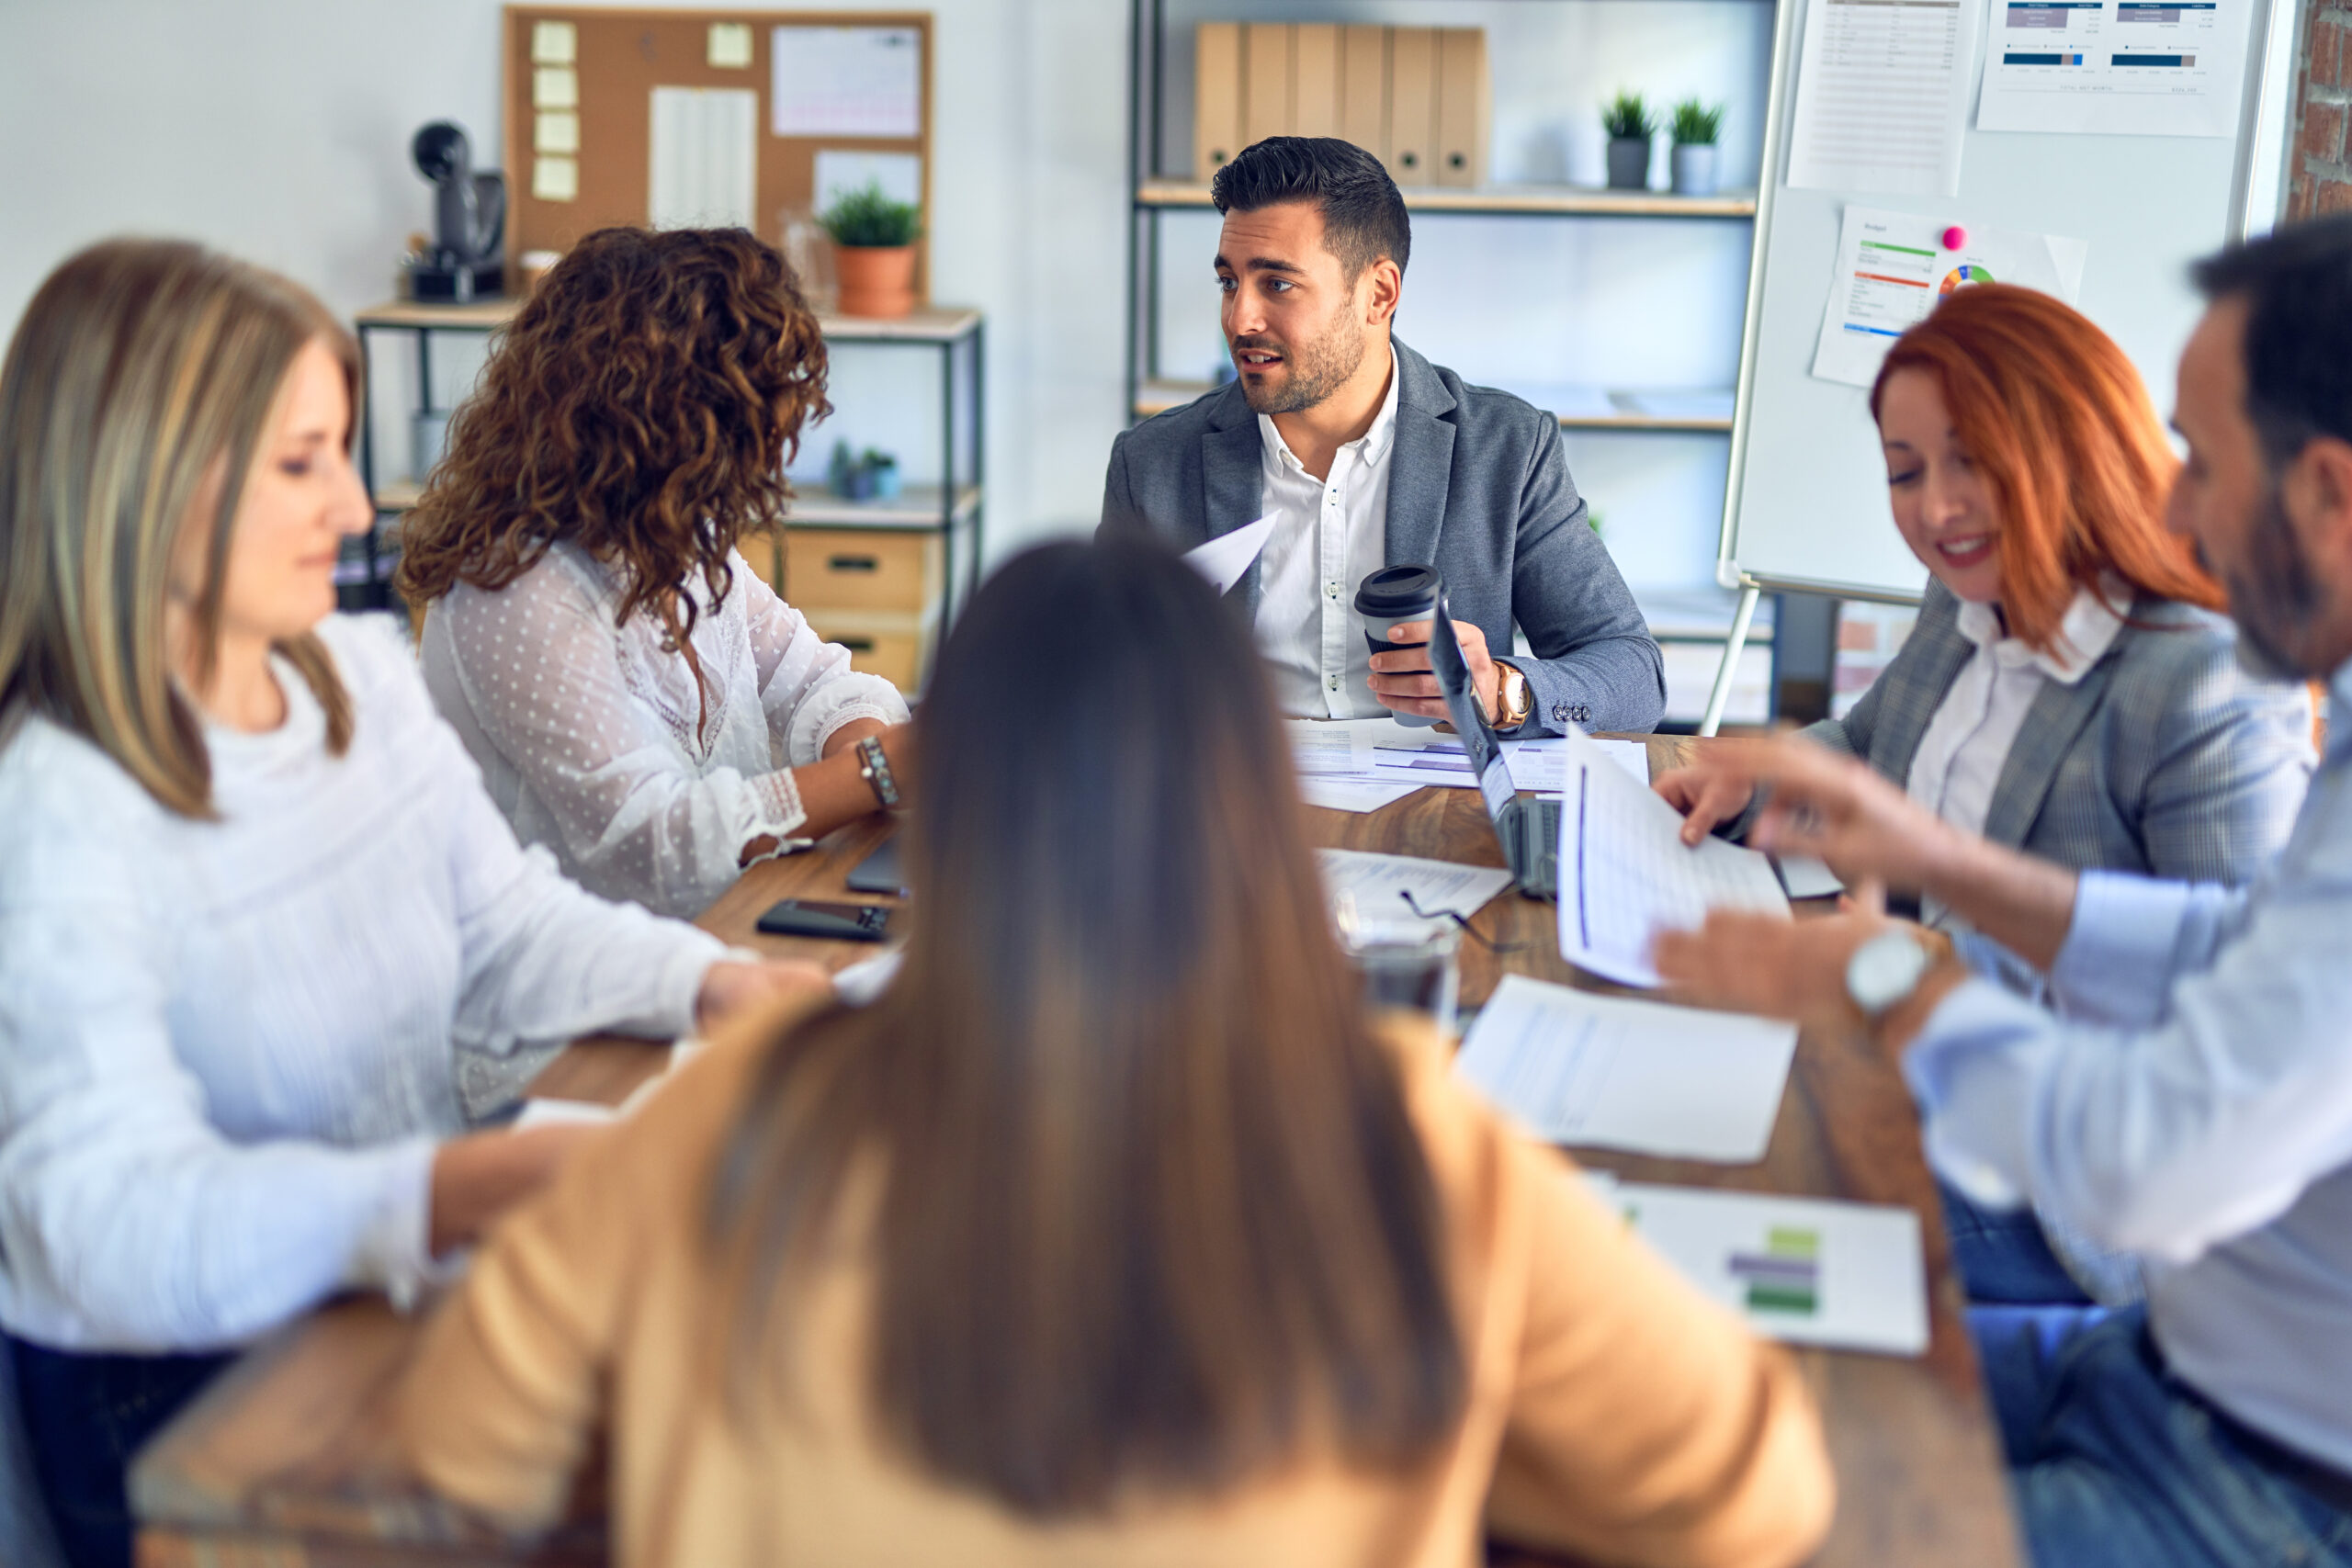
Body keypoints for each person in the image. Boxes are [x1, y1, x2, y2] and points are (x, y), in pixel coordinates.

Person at [396, 537, 1832, 1568]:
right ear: (1249, 807)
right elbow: (1758, 1494)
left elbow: (454, 1445)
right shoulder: (1400, 1142)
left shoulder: (733, 1115)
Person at [0, 240, 821, 1568]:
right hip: (180, 1393)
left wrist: (710, 983)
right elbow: (108, 1230)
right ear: (144, 481)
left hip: (375, 1285)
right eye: (300, 459)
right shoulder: (56, 807)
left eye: (344, 448)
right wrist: (450, 1189)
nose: (351, 503)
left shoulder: (346, 673)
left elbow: (499, 927)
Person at [1655, 214, 2352, 1568]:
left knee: (1701, 1512)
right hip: (2140, 1363)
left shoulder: (2215, 685)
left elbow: (2152, 1166)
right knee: (1672, 1376)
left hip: (2267, 1484)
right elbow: (2238, 936)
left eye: (2199, 462)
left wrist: (1893, 976)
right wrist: (1931, 861)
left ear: (2327, 489)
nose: (2174, 506)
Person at [399, 226, 912, 921]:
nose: (779, 439)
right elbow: (653, 843)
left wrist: (870, 754)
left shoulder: (681, 538)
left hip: (717, 939)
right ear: (661, 418)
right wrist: (877, 771)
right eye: (753, 410)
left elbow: (817, 680)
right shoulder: (513, 586)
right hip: (572, 1000)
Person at [1098, 136, 1664, 737]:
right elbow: (1094, 684)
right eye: (1229, 283)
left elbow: (1632, 673)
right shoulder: (1153, 465)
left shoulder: (1507, 450)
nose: (1240, 319)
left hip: (1434, 810)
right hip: (1236, 804)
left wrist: (1502, 689)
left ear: (1379, 294)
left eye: (1278, 285)